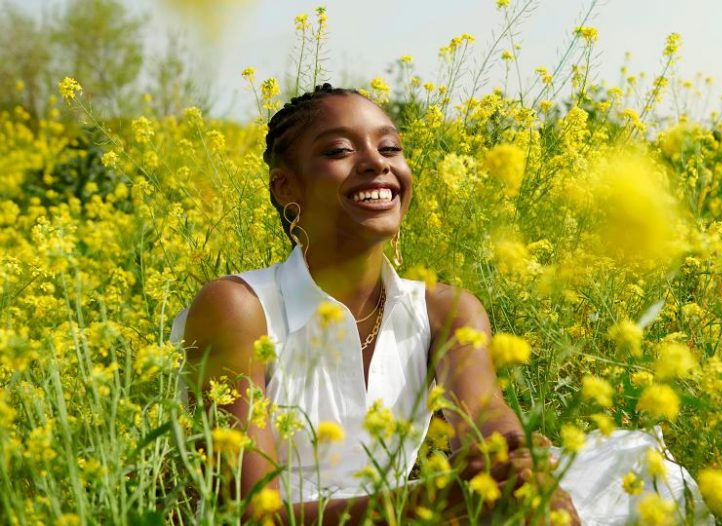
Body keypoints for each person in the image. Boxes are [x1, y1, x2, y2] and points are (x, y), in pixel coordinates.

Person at [170, 83, 581, 524]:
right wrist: (437, 500)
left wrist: (514, 461)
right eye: (339, 151)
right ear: (287, 186)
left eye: (390, 147)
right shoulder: (238, 308)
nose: (376, 162)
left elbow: (485, 414)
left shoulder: (447, 310)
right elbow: (246, 513)